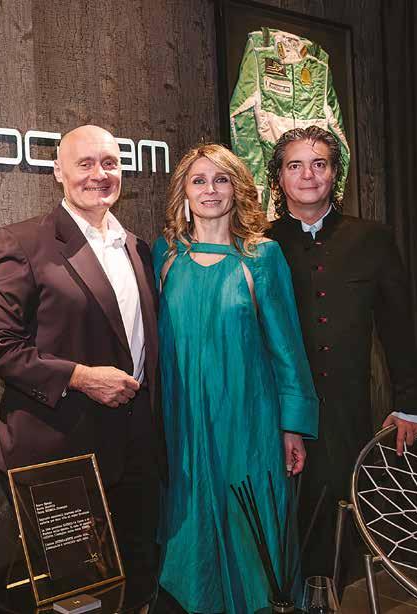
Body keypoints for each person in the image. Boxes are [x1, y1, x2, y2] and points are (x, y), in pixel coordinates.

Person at [0, 125, 163, 580]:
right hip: (61, 453)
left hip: (136, 455)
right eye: (85, 164)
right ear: (58, 171)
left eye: (110, 163)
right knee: (78, 595)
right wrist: (80, 377)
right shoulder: (23, 243)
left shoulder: (138, 247)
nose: (100, 174)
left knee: (137, 585)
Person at [153, 143, 319, 613]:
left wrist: (292, 427)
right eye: (199, 180)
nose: (210, 189)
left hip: (248, 420)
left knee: (253, 527)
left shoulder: (261, 256)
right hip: (182, 421)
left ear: (237, 189)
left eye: (221, 179)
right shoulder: (165, 254)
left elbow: (287, 348)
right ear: (184, 191)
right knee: (189, 526)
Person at [265, 126, 417, 586]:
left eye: (319, 164)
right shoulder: (260, 243)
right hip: (273, 404)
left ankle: (328, 598)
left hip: (345, 405)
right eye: (295, 165)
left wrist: (411, 404)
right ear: (279, 177)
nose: (308, 175)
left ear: (335, 174)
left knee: (336, 512)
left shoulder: (372, 239)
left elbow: (398, 327)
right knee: (280, 514)